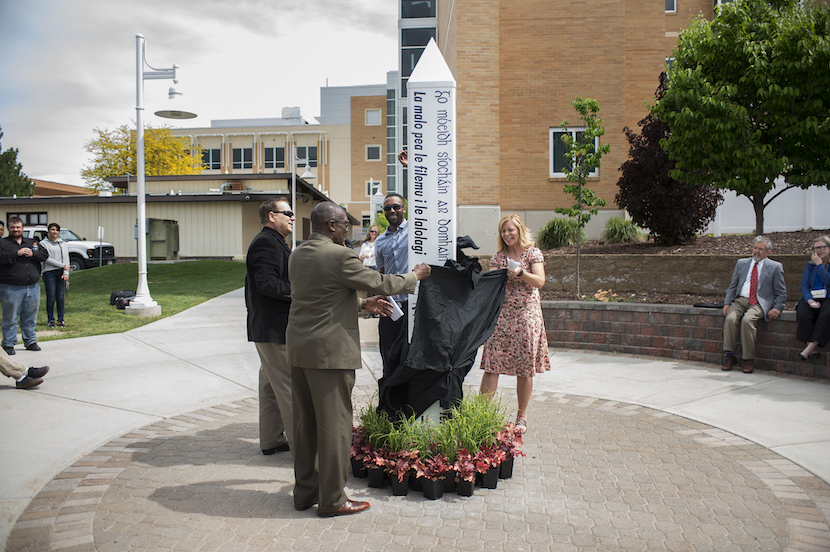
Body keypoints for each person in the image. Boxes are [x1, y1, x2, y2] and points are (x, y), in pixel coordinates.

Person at [286, 201, 431, 517]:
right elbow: (380, 282)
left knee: (305, 425)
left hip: (299, 350)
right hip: (329, 354)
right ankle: (333, 500)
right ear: (332, 226)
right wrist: (414, 275)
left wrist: (363, 307)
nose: (347, 232)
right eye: (345, 226)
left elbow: (318, 299)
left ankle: (305, 493)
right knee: (335, 427)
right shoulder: (340, 255)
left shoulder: (297, 253)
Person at [479, 214, 550, 434]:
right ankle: (481, 414)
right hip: (501, 316)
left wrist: (520, 272)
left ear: (519, 230)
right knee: (492, 365)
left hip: (526, 316)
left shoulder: (532, 253)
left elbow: (539, 281)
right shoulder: (498, 257)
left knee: (524, 367)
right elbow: (490, 285)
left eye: (511, 230)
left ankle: (521, 416)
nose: (507, 234)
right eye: (503, 231)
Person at [245, 198, 295, 456]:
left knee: (270, 386)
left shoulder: (273, 242)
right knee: (289, 387)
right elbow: (267, 283)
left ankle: (272, 439)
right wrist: (300, 291)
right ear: (271, 216)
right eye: (287, 213)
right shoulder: (266, 242)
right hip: (274, 330)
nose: (293, 217)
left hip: (268, 328)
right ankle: (304, 450)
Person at [721, 235, 786, 374]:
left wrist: (777, 307)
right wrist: (727, 303)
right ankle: (729, 356)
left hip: (759, 302)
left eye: (760, 249)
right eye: (755, 248)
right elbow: (733, 286)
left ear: (768, 252)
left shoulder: (775, 267)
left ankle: (747, 359)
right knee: (731, 320)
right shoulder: (741, 263)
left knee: (747, 321)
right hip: (740, 300)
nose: (756, 251)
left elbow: (781, 292)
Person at [374, 193, 410, 380]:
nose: (392, 211)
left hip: (413, 304)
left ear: (404, 208)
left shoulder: (415, 231)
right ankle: (390, 402)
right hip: (390, 306)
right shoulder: (380, 241)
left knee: (411, 355)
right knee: (389, 354)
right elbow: (382, 273)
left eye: (396, 206)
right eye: (388, 208)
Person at [0, 217, 48, 355]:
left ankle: (30, 341)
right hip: (10, 287)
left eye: (18, 227)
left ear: (23, 228)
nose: (16, 229)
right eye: (13, 227)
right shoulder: (3, 243)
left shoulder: (31, 242)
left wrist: (33, 253)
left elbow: (44, 254)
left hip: (33, 287)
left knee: (30, 316)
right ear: (8, 228)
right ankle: (8, 343)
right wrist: (17, 253)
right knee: (10, 317)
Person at [795, 235, 830, 361]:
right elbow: (804, 285)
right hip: (813, 297)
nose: (818, 251)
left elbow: (827, 280)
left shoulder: (819, 265)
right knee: (803, 312)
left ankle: (810, 348)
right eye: (816, 248)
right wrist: (809, 300)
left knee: (826, 315)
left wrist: (820, 265)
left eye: (822, 247)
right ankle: (811, 348)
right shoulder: (810, 265)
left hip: (828, 298)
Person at [40, 223, 70, 329]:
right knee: (51, 296)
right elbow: (46, 258)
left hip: (61, 272)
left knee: (60, 297)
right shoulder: (43, 244)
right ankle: (50, 320)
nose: (54, 232)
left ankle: (61, 320)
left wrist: (66, 272)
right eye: (52, 230)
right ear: (48, 231)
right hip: (49, 273)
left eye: (57, 230)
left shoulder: (62, 243)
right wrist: (63, 265)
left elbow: (66, 258)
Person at [359, 225, 380, 319]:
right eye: (372, 231)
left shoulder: (379, 243)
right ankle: (369, 311)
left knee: (376, 289)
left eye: (375, 232)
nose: (373, 233)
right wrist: (364, 256)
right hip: (367, 267)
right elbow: (360, 256)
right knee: (369, 289)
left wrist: (374, 254)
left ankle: (377, 311)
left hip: (376, 267)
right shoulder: (365, 244)